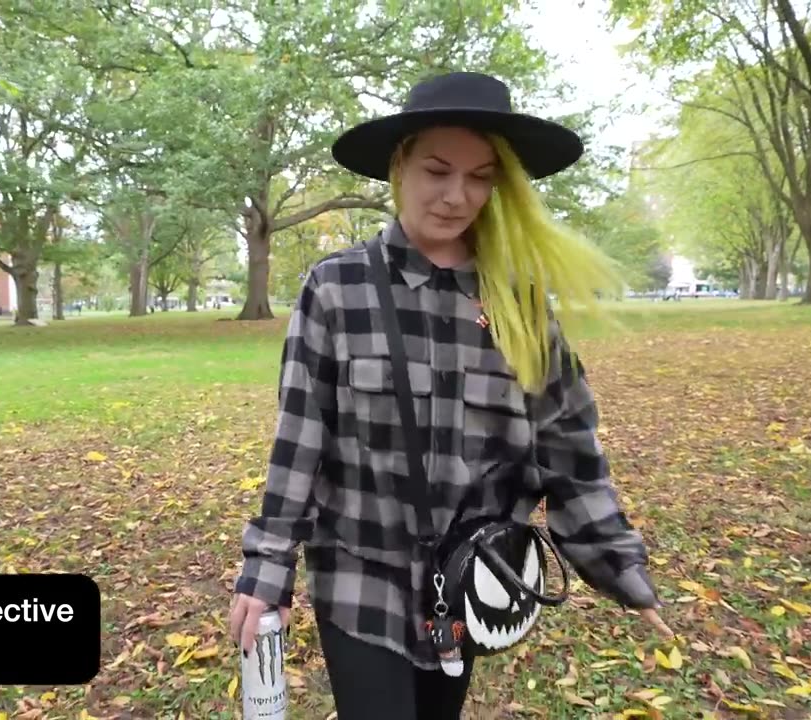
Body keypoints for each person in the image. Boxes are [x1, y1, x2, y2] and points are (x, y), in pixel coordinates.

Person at [228, 71, 673, 719]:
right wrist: (267, 570)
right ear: (399, 163)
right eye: (437, 170)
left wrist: (621, 569)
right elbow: (300, 442)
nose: (457, 195)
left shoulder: (519, 302)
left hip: (470, 583)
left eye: (481, 176)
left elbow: (567, 448)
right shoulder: (336, 288)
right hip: (360, 579)